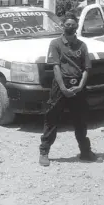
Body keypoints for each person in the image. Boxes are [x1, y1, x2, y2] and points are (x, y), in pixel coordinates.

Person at [39, 11, 98, 167]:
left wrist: (80, 86)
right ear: (62, 26)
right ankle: (44, 152)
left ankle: (85, 152)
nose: (70, 27)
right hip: (60, 86)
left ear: (77, 26)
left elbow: (86, 68)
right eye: (67, 25)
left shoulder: (82, 45)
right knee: (52, 119)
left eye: (72, 25)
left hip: (78, 86)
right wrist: (63, 88)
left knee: (80, 120)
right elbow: (56, 67)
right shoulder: (55, 44)